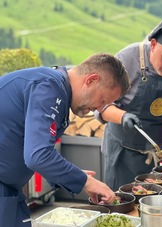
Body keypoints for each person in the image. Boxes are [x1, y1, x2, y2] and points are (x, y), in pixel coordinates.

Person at [0, 52, 130, 226]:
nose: (98, 109)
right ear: (91, 80)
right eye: (102, 100)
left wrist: (76, 177)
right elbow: (38, 156)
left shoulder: (57, 89)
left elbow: (36, 148)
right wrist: (86, 181)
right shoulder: (48, 87)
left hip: (10, 189)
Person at [95, 19, 162, 191]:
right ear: (152, 44)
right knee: (121, 205)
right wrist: (123, 116)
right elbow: (101, 105)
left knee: (161, 207)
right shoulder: (126, 59)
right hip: (122, 153)